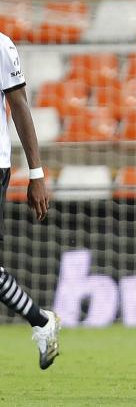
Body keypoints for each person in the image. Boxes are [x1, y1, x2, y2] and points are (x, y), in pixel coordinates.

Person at [0, 31, 59, 370]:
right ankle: (40, 321)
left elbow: (19, 104)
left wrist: (36, 174)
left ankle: (41, 321)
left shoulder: (2, 46)